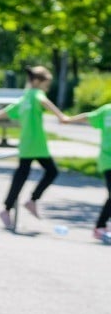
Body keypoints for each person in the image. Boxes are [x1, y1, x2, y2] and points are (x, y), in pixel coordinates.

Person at [0, 66, 68, 229]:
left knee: (21, 176)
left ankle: (7, 208)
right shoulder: (37, 94)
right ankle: (32, 200)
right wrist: (60, 116)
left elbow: (3, 112)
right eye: (46, 83)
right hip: (37, 144)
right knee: (52, 172)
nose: (47, 86)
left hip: (26, 144)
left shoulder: (23, 99)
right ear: (37, 81)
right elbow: (44, 101)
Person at [61, 103, 111, 242]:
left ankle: (102, 226)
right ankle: (100, 227)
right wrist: (68, 119)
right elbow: (88, 117)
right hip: (108, 160)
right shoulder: (107, 110)